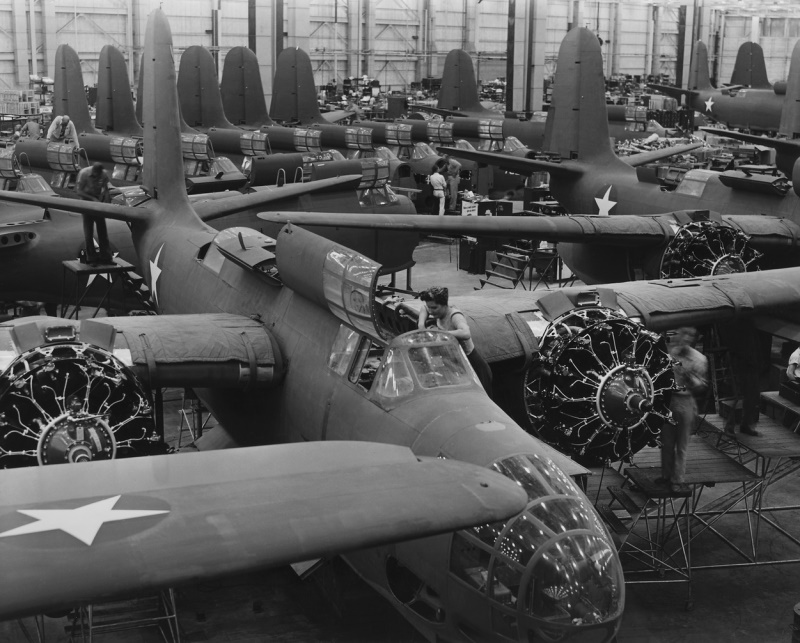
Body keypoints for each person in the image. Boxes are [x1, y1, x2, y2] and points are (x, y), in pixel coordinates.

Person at [417, 286, 492, 396]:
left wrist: (439, 334)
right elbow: (424, 308)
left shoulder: (454, 315)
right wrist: (421, 326)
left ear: (444, 305)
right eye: (430, 308)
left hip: (472, 364)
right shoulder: (436, 311)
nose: (431, 312)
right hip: (455, 362)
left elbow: (465, 333)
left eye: (434, 308)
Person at [659, 327, 708, 494]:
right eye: (682, 335)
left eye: (688, 337)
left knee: (681, 445)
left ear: (693, 339)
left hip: (686, 400)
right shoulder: (672, 354)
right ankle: (666, 475)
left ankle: (678, 479)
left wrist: (692, 380)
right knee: (666, 442)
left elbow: (701, 385)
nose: (684, 339)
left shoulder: (699, 359)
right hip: (670, 400)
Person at [75, 162, 113, 264]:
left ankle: (106, 256)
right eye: (96, 176)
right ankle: (91, 258)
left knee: (102, 231)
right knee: (88, 233)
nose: (97, 178)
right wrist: (92, 199)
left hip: (97, 204)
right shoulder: (83, 173)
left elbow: (106, 189)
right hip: (86, 204)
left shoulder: (103, 174)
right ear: (93, 171)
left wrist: (107, 203)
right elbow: (79, 191)